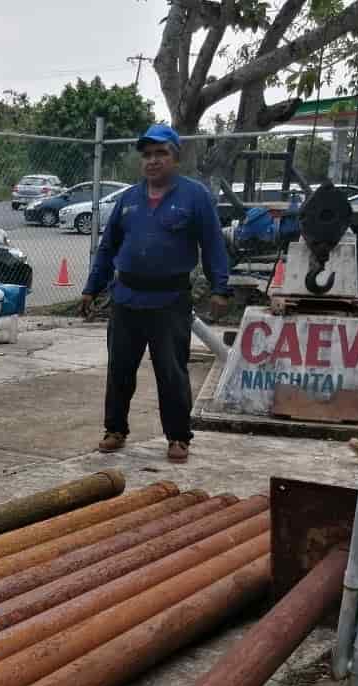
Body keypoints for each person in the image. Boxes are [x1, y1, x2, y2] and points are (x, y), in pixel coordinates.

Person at [79, 124, 231, 463]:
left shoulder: (195, 197)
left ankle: (178, 437)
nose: (152, 161)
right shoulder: (129, 200)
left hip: (170, 302)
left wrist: (221, 288)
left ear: (175, 157)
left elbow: (213, 245)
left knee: (172, 371)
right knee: (119, 369)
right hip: (126, 299)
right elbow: (107, 247)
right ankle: (115, 429)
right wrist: (92, 287)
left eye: (160, 153)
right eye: (147, 155)